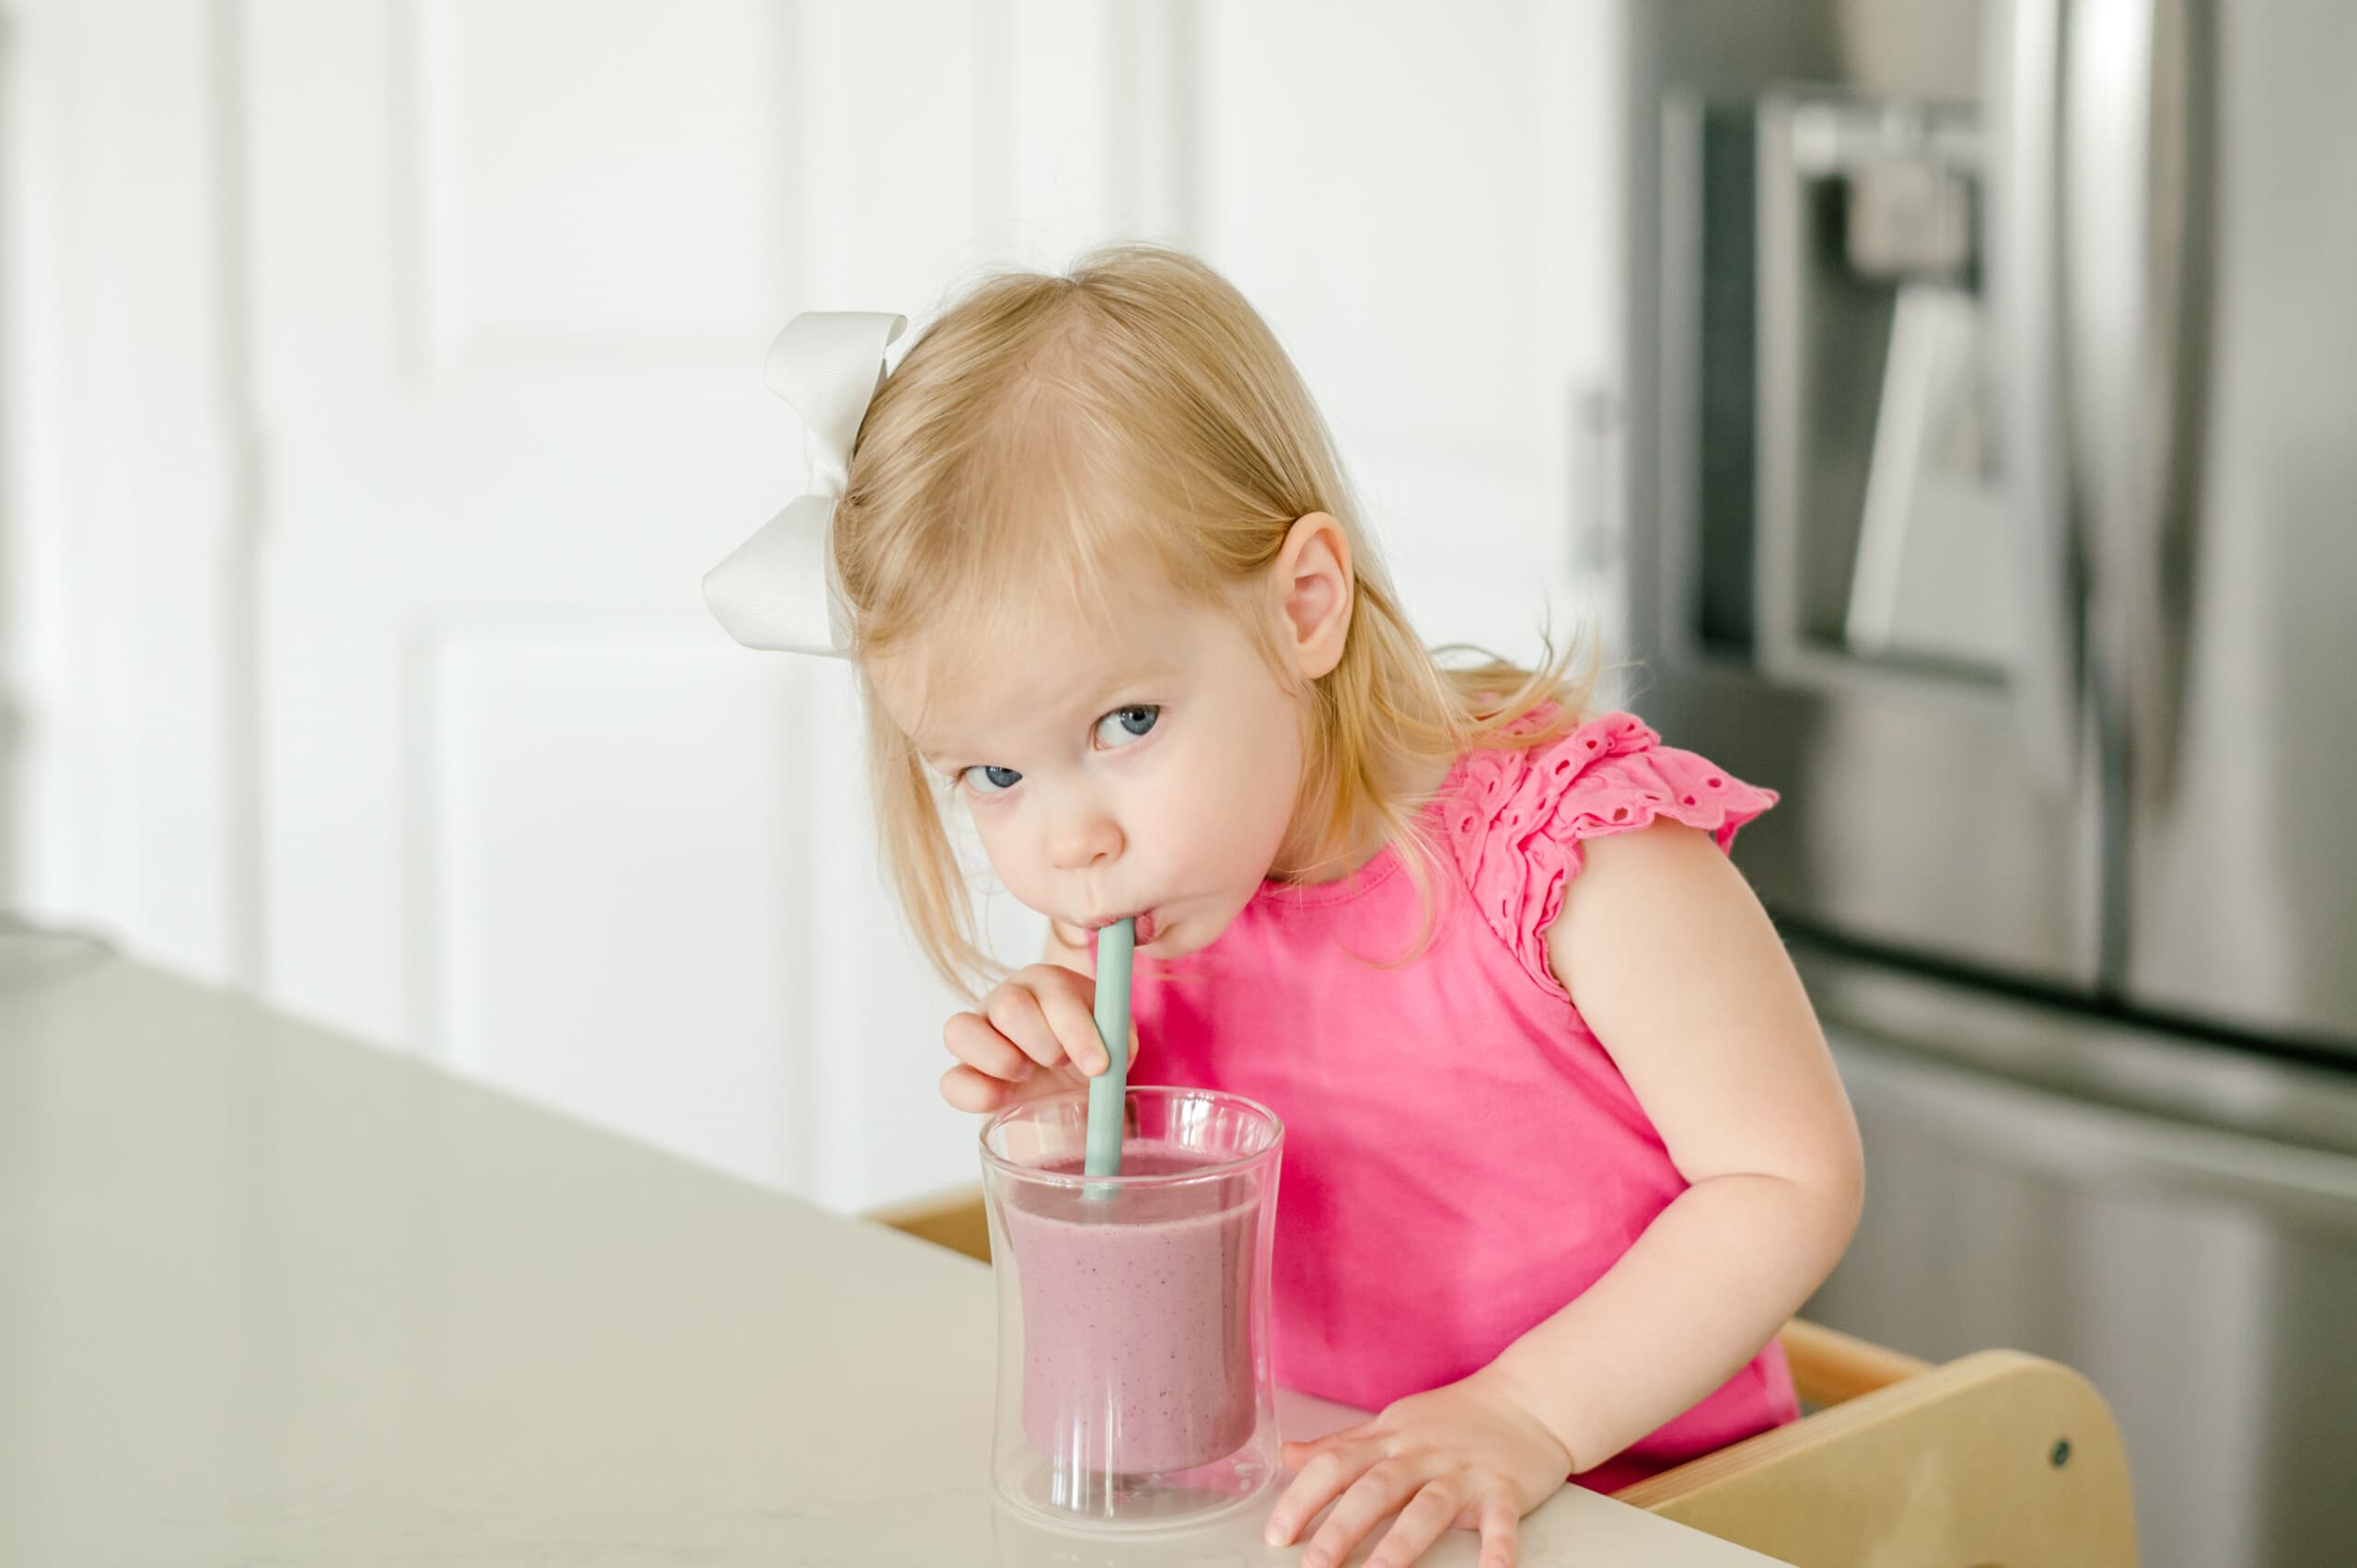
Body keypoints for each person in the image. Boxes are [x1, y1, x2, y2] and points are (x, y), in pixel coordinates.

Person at [703, 244, 1864, 1568]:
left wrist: (1522, 1416)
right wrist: (1071, 1081)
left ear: (1303, 607)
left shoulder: (1578, 860)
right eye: (994, 774)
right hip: (1312, 1513)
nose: (1068, 841)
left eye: (1126, 720)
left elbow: (1788, 1178)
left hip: (1642, 1519)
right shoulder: (1145, 890)